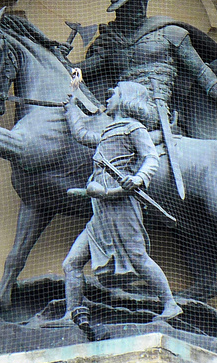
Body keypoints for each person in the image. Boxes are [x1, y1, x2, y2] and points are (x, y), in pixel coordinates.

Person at [81, 0, 217, 197]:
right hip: (117, 108)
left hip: (152, 108)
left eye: (142, 0)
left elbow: (199, 69)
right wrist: (60, 61)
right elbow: (87, 70)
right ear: (120, 8)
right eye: (133, 3)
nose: (140, 7)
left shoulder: (169, 32)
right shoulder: (110, 40)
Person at [63, 78, 182, 337]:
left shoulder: (133, 128)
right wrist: (72, 100)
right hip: (101, 208)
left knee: (138, 257)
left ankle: (170, 305)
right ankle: (71, 313)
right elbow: (81, 134)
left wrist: (138, 179)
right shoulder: (107, 131)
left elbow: (151, 157)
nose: (108, 95)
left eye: (113, 92)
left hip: (121, 205)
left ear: (126, 99)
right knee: (71, 263)